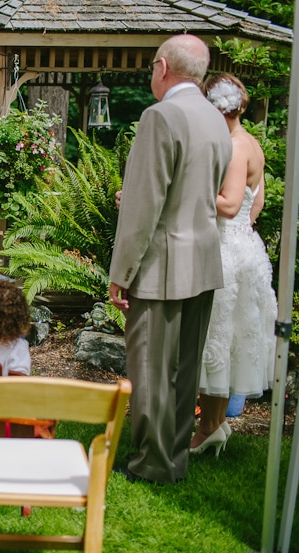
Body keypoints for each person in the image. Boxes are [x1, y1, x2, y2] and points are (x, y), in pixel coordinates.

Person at [108, 35, 233, 484]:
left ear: (162, 68)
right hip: (202, 260)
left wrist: (121, 273)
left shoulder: (160, 116)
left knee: (151, 369)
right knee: (184, 369)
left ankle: (154, 464)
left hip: (162, 265)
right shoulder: (216, 119)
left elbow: (145, 208)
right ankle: (175, 454)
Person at [190, 74, 277, 455]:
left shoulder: (231, 146)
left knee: (216, 339)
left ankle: (208, 426)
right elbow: (253, 206)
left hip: (227, 252)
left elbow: (227, 203)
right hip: (247, 247)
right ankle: (216, 424)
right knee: (227, 342)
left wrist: (187, 195)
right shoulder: (252, 143)